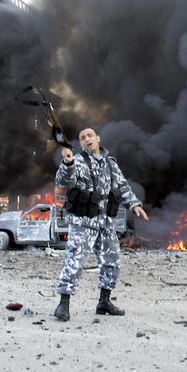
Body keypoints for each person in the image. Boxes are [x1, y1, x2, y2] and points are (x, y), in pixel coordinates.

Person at [53, 127, 148, 321]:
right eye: (82, 138)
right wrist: (67, 162)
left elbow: (122, 185)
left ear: (98, 138)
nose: (87, 139)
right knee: (74, 261)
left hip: (105, 222)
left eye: (90, 135)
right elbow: (64, 181)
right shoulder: (77, 161)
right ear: (80, 143)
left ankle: (104, 301)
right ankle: (63, 303)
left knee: (111, 262)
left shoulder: (110, 163)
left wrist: (134, 205)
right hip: (83, 221)